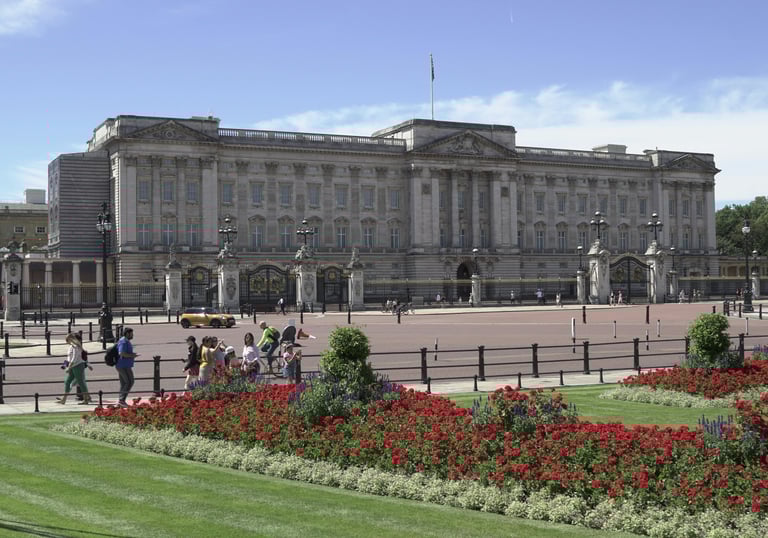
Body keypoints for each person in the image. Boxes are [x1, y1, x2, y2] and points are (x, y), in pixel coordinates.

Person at [55, 333, 92, 405]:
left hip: (78, 366)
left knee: (81, 383)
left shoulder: (76, 347)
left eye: (67, 339)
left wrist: (69, 367)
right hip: (73, 366)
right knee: (67, 381)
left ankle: (86, 400)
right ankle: (64, 399)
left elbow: (74, 358)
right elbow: (69, 358)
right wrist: (64, 365)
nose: (66, 341)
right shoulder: (71, 347)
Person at [115, 327, 137, 407]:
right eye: (131, 334)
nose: (132, 335)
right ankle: (121, 400)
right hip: (123, 365)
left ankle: (121, 400)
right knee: (129, 381)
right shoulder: (123, 341)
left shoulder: (125, 341)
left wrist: (132, 355)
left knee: (124, 383)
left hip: (124, 365)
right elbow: (121, 353)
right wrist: (132, 355)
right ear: (127, 333)